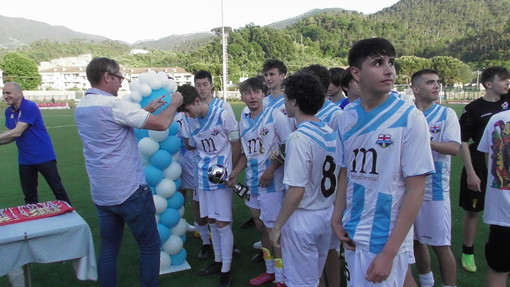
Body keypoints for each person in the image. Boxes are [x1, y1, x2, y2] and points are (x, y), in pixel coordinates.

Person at [331, 38, 435, 286]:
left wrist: (389, 253)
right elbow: (346, 171)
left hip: (385, 238)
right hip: (352, 231)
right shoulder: (346, 117)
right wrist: (336, 218)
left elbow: (416, 189)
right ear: (356, 73)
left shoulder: (410, 118)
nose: (389, 69)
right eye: (378, 63)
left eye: (391, 62)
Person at [74, 57, 183, 287]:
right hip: (129, 190)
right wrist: (175, 102)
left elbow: (114, 127)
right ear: (107, 77)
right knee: (150, 246)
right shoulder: (114, 105)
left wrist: (145, 111)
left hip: (103, 194)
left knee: (109, 249)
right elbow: (162, 124)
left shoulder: (82, 107)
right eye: (119, 78)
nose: (121, 83)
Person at [269, 72, 339, 287]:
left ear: (294, 101)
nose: (283, 102)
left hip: (303, 219)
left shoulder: (298, 137)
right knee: (314, 277)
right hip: (325, 213)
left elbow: (296, 190)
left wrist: (277, 226)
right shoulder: (329, 130)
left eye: (285, 97)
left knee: (301, 282)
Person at [177, 84, 240, 287]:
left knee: (222, 222)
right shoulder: (190, 120)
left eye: (187, 109)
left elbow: (236, 142)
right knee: (212, 219)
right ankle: (219, 261)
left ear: (197, 101)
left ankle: (227, 269)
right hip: (202, 175)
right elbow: (191, 145)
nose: (187, 114)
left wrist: (233, 171)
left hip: (220, 175)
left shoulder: (222, 115)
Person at [229, 76, 290, 287]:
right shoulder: (244, 120)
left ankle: (282, 278)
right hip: (253, 183)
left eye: (256, 92)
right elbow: (246, 154)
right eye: (247, 92)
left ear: (263, 94)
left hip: (272, 184)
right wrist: (235, 172)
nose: (252, 96)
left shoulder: (276, 116)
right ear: (242, 96)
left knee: (275, 231)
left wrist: (272, 169)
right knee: (261, 227)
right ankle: (270, 270)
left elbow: (288, 147)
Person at [458, 66, 510, 273]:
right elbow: (462, 141)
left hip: (504, 166)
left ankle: (501, 249)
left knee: (504, 211)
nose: (508, 83)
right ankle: (467, 252)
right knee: (473, 211)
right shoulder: (473, 109)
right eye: (503, 79)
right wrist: (470, 171)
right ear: (489, 84)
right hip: (479, 164)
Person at [411, 69, 460, 287]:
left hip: (435, 190)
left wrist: (425, 141)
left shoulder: (446, 114)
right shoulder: (407, 114)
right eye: (430, 82)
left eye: (437, 82)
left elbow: (453, 147)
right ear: (416, 89)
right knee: (415, 241)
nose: (436, 86)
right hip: (409, 189)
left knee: (440, 245)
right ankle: (426, 281)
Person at [301, 64, 343, 287]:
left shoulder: (335, 114)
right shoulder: (304, 112)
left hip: (327, 195)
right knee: (314, 254)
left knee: (329, 250)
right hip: (307, 193)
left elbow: (342, 157)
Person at [0, 82, 72, 205]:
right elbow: (11, 136)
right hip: (25, 159)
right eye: (3, 93)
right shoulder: (8, 112)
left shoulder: (30, 106)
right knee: (29, 195)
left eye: (8, 93)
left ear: (19, 93)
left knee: (57, 189)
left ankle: (70, 214)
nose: (5, 96)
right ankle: (33, 220)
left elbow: (17, 132)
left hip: (43, 155)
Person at [478, 108, 510, 287]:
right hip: (502, 215)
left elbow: (488, 159)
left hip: (502, 213)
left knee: (498, 270)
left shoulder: (497, 119)